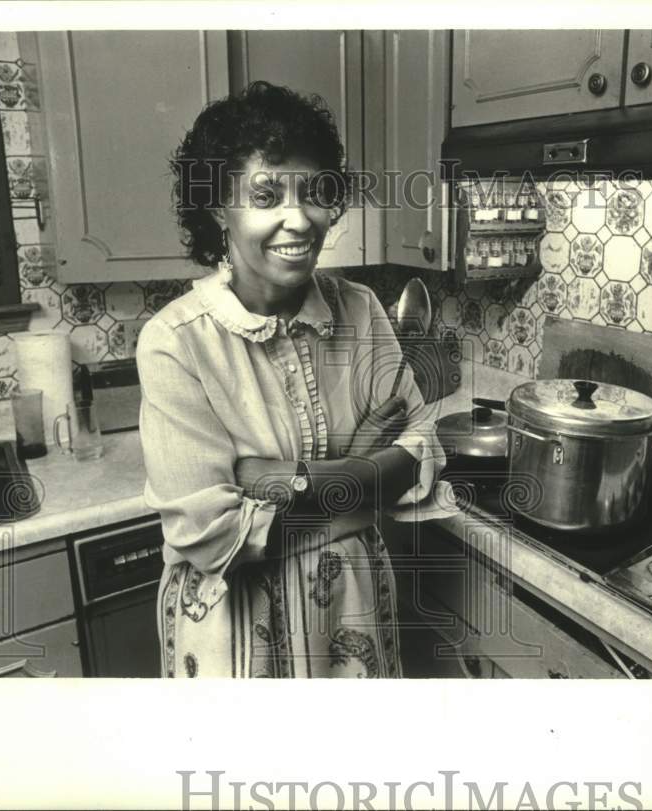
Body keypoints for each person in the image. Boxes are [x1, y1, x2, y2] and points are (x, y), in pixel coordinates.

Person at [137, 81, 445, 678]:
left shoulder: (360, 310)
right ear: (217, 209)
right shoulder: (177, 341)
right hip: (237, 621)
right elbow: (209, 533)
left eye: (313, 194)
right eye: (265, 194)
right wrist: (364, 479)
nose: (298, 219)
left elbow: (421, 447)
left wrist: (278, 481)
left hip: (349, 610)